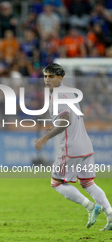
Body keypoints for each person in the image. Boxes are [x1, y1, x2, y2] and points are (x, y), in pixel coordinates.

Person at [34, 63, 112, 231]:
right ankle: (111, 216)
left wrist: (45, 137)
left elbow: (66, 120)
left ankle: (91, 207)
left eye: (51, 76)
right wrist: (54, 127)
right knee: (88, 183)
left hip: (71, 147)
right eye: (45, 76)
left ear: (60, 78)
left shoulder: (58, 96)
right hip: (85, 143)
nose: (47, 79)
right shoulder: (68, 91)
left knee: (56, 183)